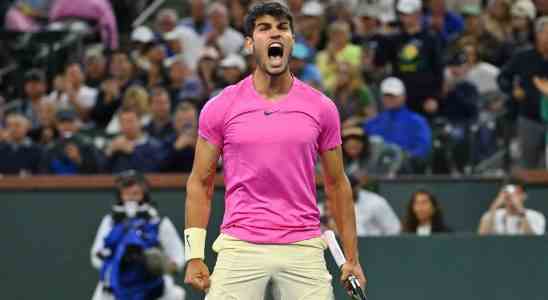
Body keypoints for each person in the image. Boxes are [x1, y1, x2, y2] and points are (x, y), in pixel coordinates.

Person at [183, 2, 366, 299]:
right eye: (264, 28)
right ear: (249, 43)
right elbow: (199, 181)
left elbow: (337, 184)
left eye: (282, 28)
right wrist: (194, 255)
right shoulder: (220, 107)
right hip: (240, 243)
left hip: (303, 244)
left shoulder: (321, 108)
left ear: (292, 40)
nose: (274, 35)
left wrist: (352, 258)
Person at [90, 170, 185, 300]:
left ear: (144, 194)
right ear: (120, 195)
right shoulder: (110, 222)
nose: (131, 197)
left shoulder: (158, 221)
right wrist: (116, 260)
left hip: (153, 287)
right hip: (115, 287)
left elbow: (178, 255)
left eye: (135, 193)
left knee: (177, 295)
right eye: (127, 193)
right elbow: (96, 255)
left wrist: (162, 265)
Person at [497, 16, 548, 169]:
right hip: (529, 118)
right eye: (546, 33)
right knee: (528, 164)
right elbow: (503, 77)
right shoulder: (523, 56)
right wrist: (513, 90)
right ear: (538, 35)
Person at [364, 77, 432, 173]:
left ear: (403, 96)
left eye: (393, 96)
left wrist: (404, 158)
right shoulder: (372, 123)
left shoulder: (418, 121)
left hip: (406, 174)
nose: (389, 99)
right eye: (386, 96)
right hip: (376, 172)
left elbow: (423, 149)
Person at [478, 182, 545, 235]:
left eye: (516, 193)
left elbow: (534, 241)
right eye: (506, 193)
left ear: (524, 196)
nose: (510, 196)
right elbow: (481, 239)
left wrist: (521, 212)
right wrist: (494, 207)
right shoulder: (491, 215)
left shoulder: (536, 216)